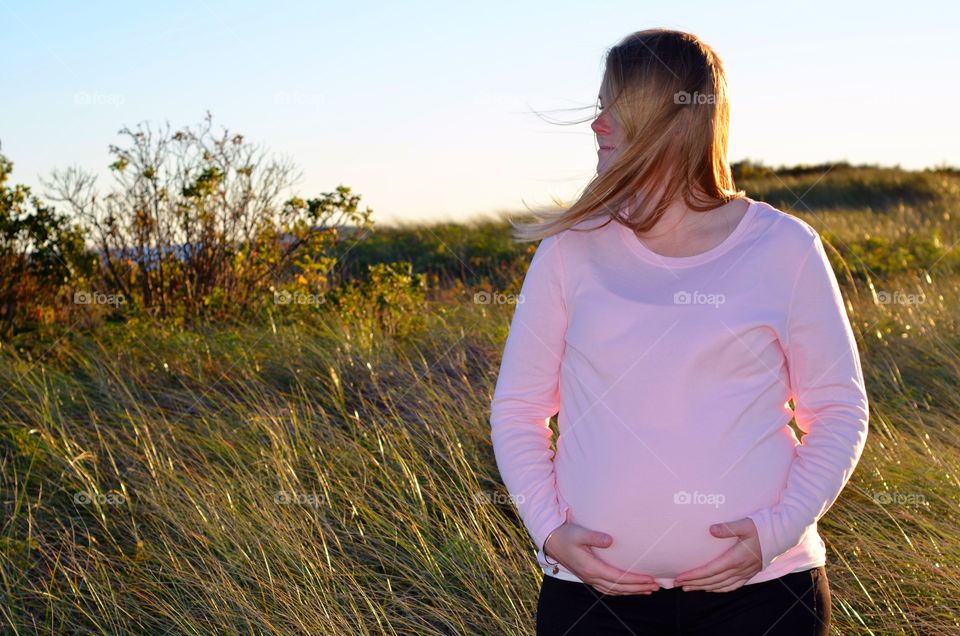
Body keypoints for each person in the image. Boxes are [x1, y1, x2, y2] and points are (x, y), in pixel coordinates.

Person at [489, 28, 869, 635]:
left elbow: (840, 410)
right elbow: (518, 409)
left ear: (674, 118)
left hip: (763, 598)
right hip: (592, 602)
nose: (597, 125)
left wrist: (776, 531)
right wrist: (550, 532)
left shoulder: (785, 247)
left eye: (613, 106)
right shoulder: (570, 249)